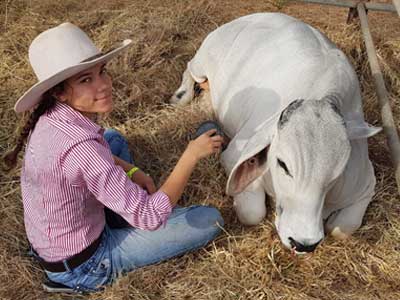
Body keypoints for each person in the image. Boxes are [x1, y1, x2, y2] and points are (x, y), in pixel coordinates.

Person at [4, 22, 224, 293]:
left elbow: (91, 158)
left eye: (102, 72)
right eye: (86, 80)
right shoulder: (84, 150)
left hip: (56, 241)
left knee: (113, 139)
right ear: (59, 92)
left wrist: (133, 172)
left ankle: (120, 210)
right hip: (85, 265)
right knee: (209, 219)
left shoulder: (51, 116)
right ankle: (88, 262)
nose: (105, 85)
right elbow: (150, 216)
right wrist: (191, 154)